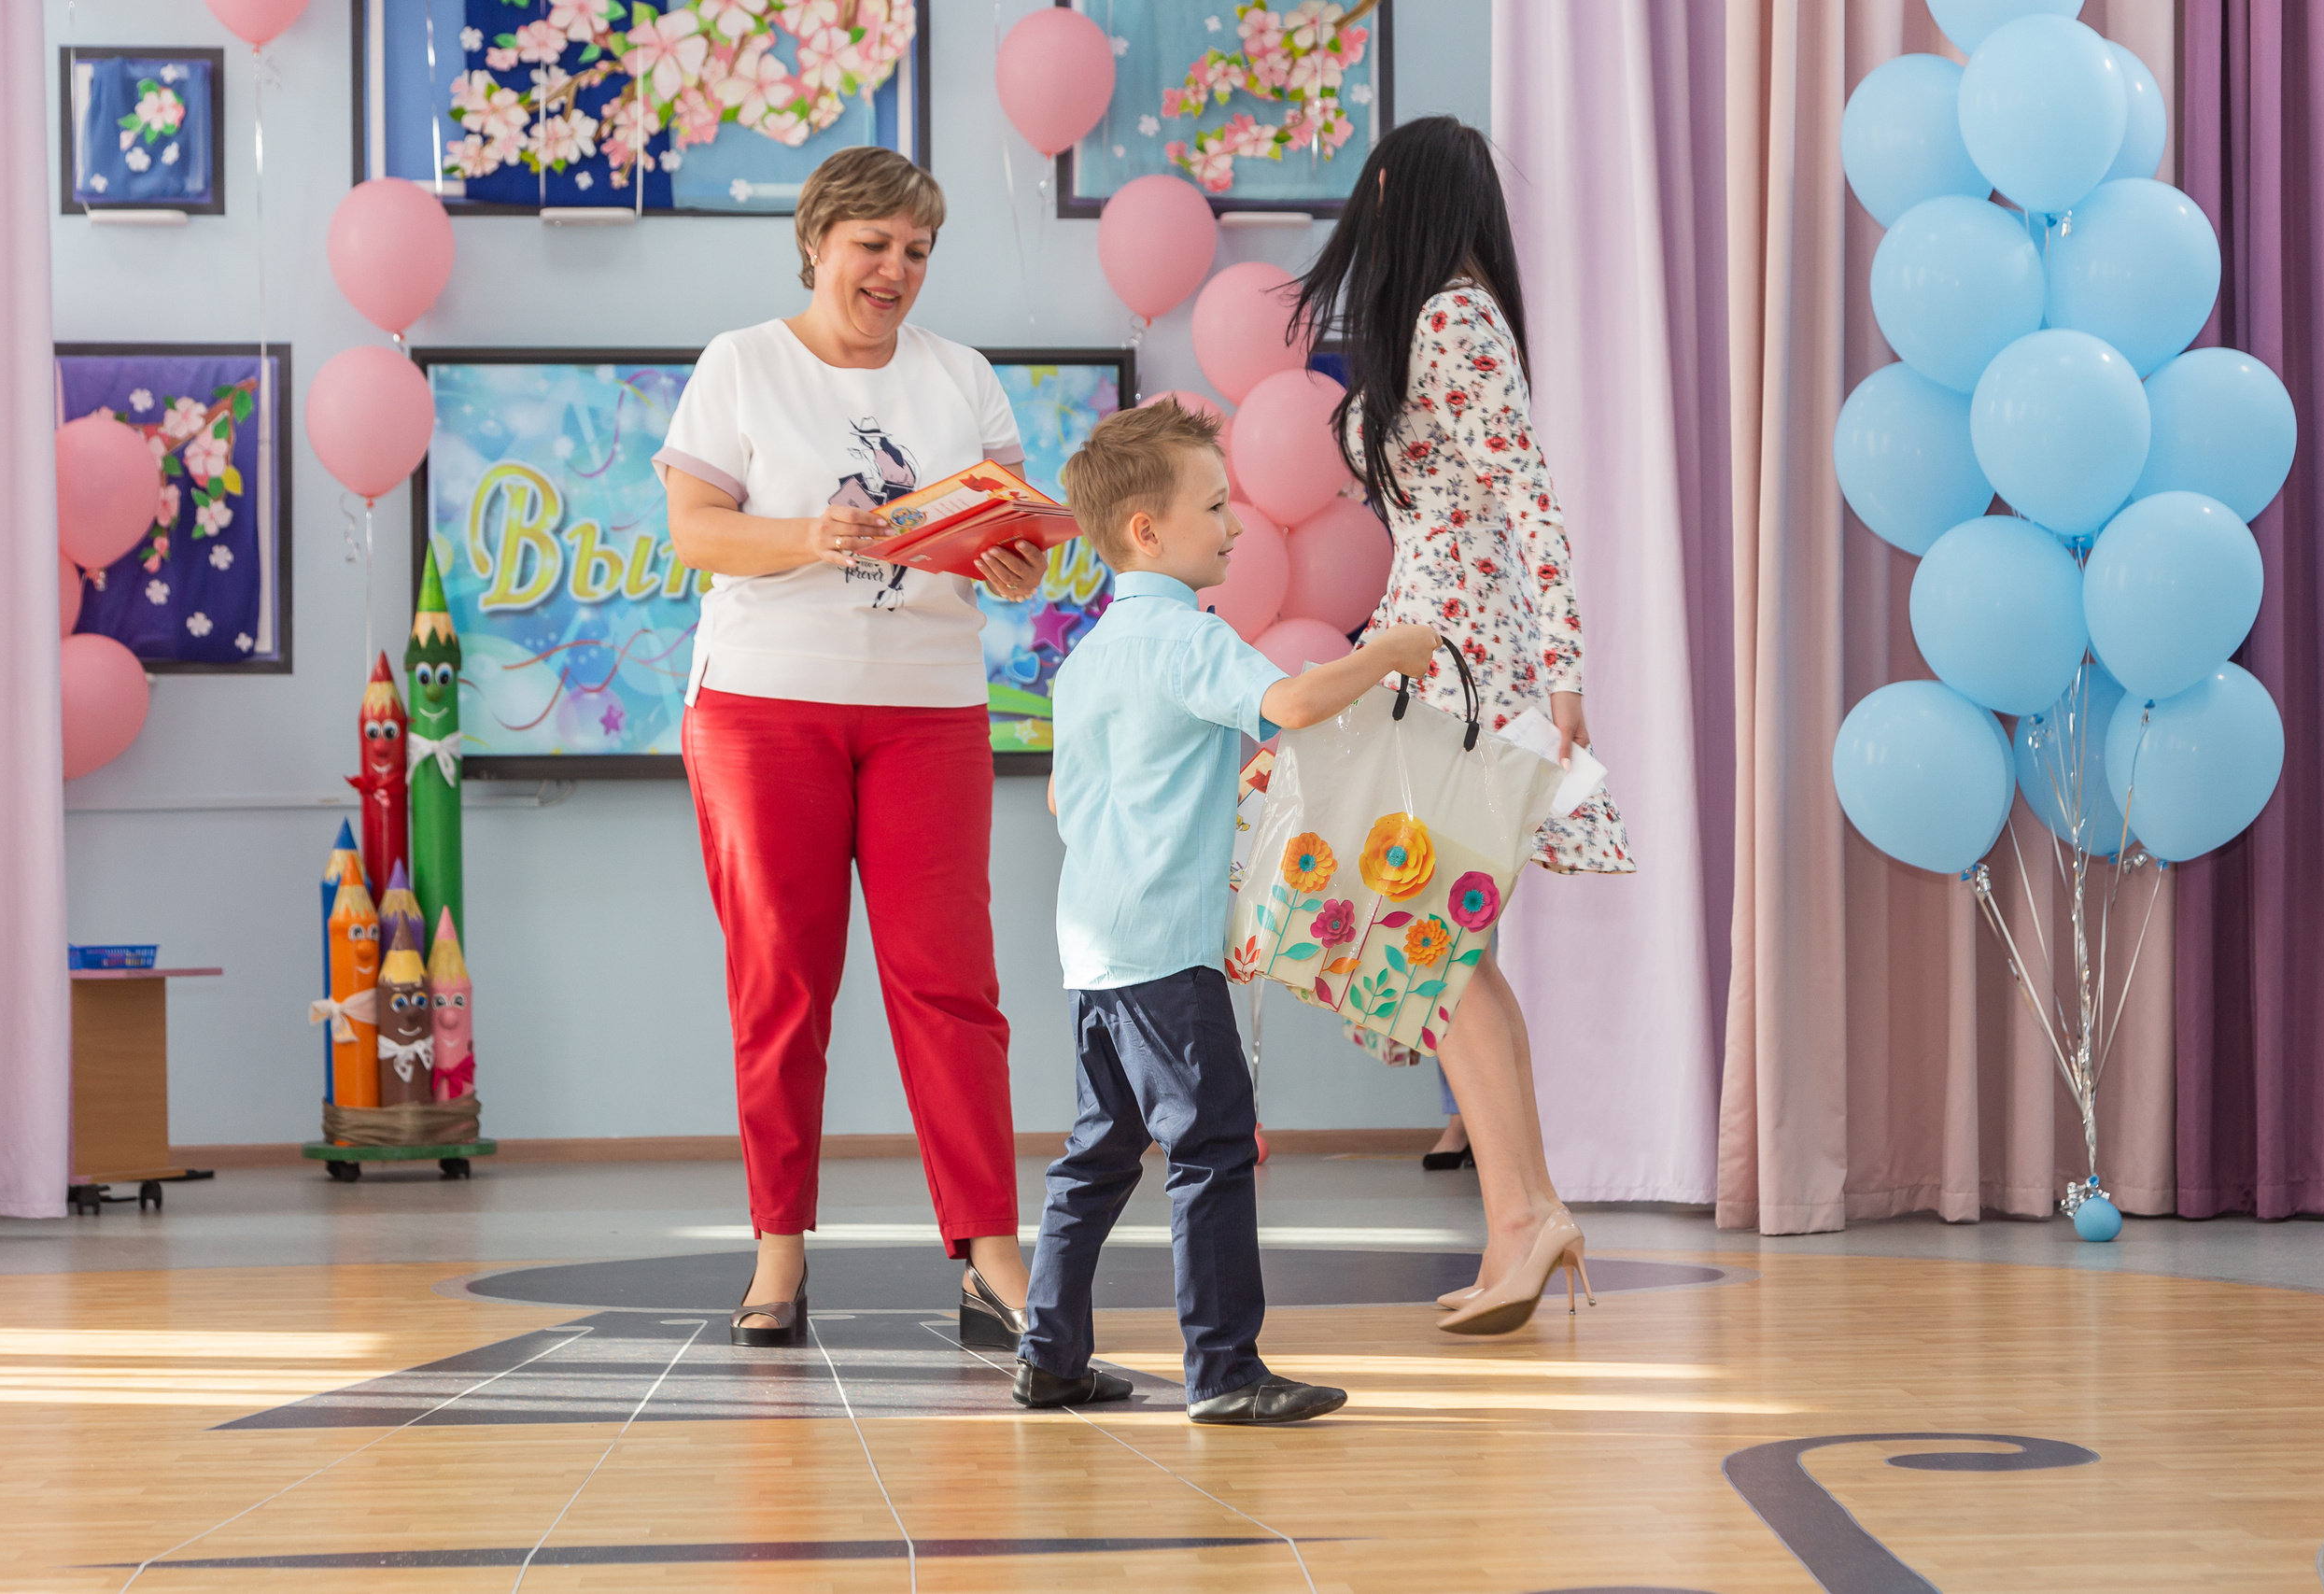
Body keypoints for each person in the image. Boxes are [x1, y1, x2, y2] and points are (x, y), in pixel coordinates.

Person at [657, 146, 1046, 1350]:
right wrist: (814, 535)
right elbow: (694, 534)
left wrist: (1017, 560)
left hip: (929, 707)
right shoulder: (740, 363)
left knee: (954, 989)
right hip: (762, 708)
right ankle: (778, 1252)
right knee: (783, 984)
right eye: (873, 244)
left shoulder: (964, 378)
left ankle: (991, 1257)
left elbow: (1011, 537)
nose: (895, 270)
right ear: (818, 241)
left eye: (917, 250)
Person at [1012, 401, 1438, 1423]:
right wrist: (1384, 654)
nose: (1237, 526)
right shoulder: (1187, 641)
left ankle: (1051, 1354)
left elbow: (1065, 801)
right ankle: (1223, 1371)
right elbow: (1287, 705)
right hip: (1166, 945)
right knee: (1210, 1147)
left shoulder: (1088, 659)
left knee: (1101, 1151)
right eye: (1214, 505)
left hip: (1094, 947)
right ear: (1145, 531)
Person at [1292, 115, 1638, 1336]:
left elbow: (1532, 507)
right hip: (1427, 659)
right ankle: (1524, 1213)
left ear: (1400, 190)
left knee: (1445, 952)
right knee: (1446, 956)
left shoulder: (1450, 318)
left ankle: (1525, 1217)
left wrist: (1565, 684)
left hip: (1462, 671)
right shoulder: (1441, 323)